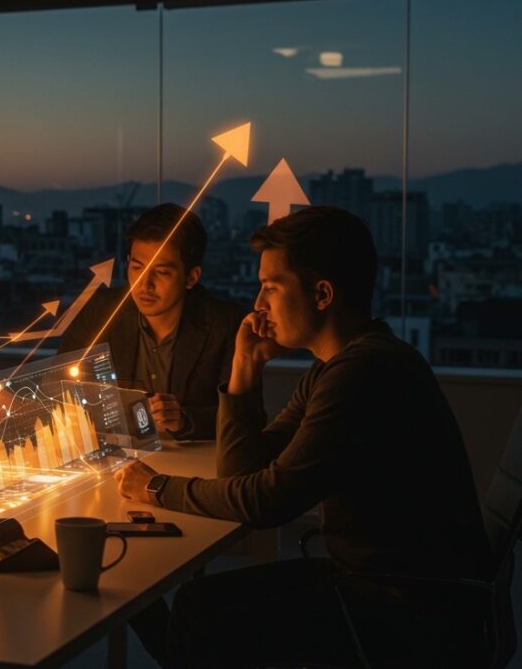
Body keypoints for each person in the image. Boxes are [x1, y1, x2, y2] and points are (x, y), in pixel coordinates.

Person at [115, 206, 491, 667]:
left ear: (322, 294)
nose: (258, 305)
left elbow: (265, 502)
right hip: (373, 580)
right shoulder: (334, 368)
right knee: (195, 605)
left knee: (206, 625)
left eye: (271, 287)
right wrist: (245, 369)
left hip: (412, 610)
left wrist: (156, 487)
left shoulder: (364, 373)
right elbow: (245, 470)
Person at [59, 203, 244, 441]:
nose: (144, 284)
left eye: (162, 272)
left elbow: (246, 419)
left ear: (191, 277)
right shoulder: (102, 310)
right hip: (116, 458)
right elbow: (59, 386)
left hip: (193, 466)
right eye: (137, 268)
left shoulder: (225, 325)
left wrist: (184, 420)